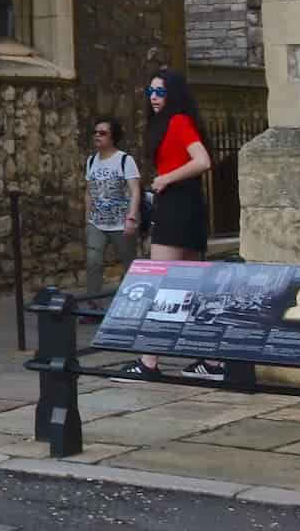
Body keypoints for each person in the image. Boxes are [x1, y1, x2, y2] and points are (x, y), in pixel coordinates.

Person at [117, 69, 215, 379]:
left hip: (177, 206)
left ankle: (148, 362)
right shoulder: (168, 123)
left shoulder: (179, 121)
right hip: (183, 205)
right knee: (189, 289)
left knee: (159, 284)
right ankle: (212, 362)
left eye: (160, 92)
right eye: (151, 92)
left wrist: (165, 179)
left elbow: (203, 160)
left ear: (173, 94)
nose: (155, 98)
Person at [83, 117, 140, 301]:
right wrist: (87, 218)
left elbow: (135, 190)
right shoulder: (91, 161)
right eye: (95, 132)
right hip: (96, 223)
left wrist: (131, 218)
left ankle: (131, 300)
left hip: (121, 223)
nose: (97, 136)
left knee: (129, 264)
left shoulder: (125, 160)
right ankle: (92, 304)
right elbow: (89, 191)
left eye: (103, 133)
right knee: (93, 262)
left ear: (113, 137)